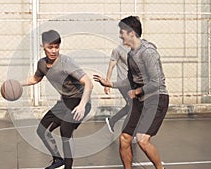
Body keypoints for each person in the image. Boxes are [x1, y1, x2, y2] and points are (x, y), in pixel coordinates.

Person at [93, 16, 169, 169]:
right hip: (140, 100)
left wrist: (138, 91)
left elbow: (157, 82)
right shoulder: (131, 54)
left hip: (156, 99)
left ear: (131, 33)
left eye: (122, 32)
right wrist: (110, 84)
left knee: (142, 139)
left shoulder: (148, 52)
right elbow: (130, 80)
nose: (120, 35)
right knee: (125, 139)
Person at [22, 30, 93, 169]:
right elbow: (35, 79)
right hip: (65, 101)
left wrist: (82, 105)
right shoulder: (42, 64)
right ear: (43, 46)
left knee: (65, 131)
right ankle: (57, 160)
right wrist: (16, 83)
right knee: (41, 130)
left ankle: (68, 167)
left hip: (80, 101)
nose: (54, 50)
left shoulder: (66, 62)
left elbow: (88, 83)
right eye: (50, 47)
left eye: (57, 47)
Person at [104, 45, 132, 133]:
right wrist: (107, 84)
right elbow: (111, 66)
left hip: (133, 82)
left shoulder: (136, 49)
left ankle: (112, 121)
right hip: (123, 83)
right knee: (132, 106)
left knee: (131, 106)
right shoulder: (118, 50)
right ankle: (130, 132)